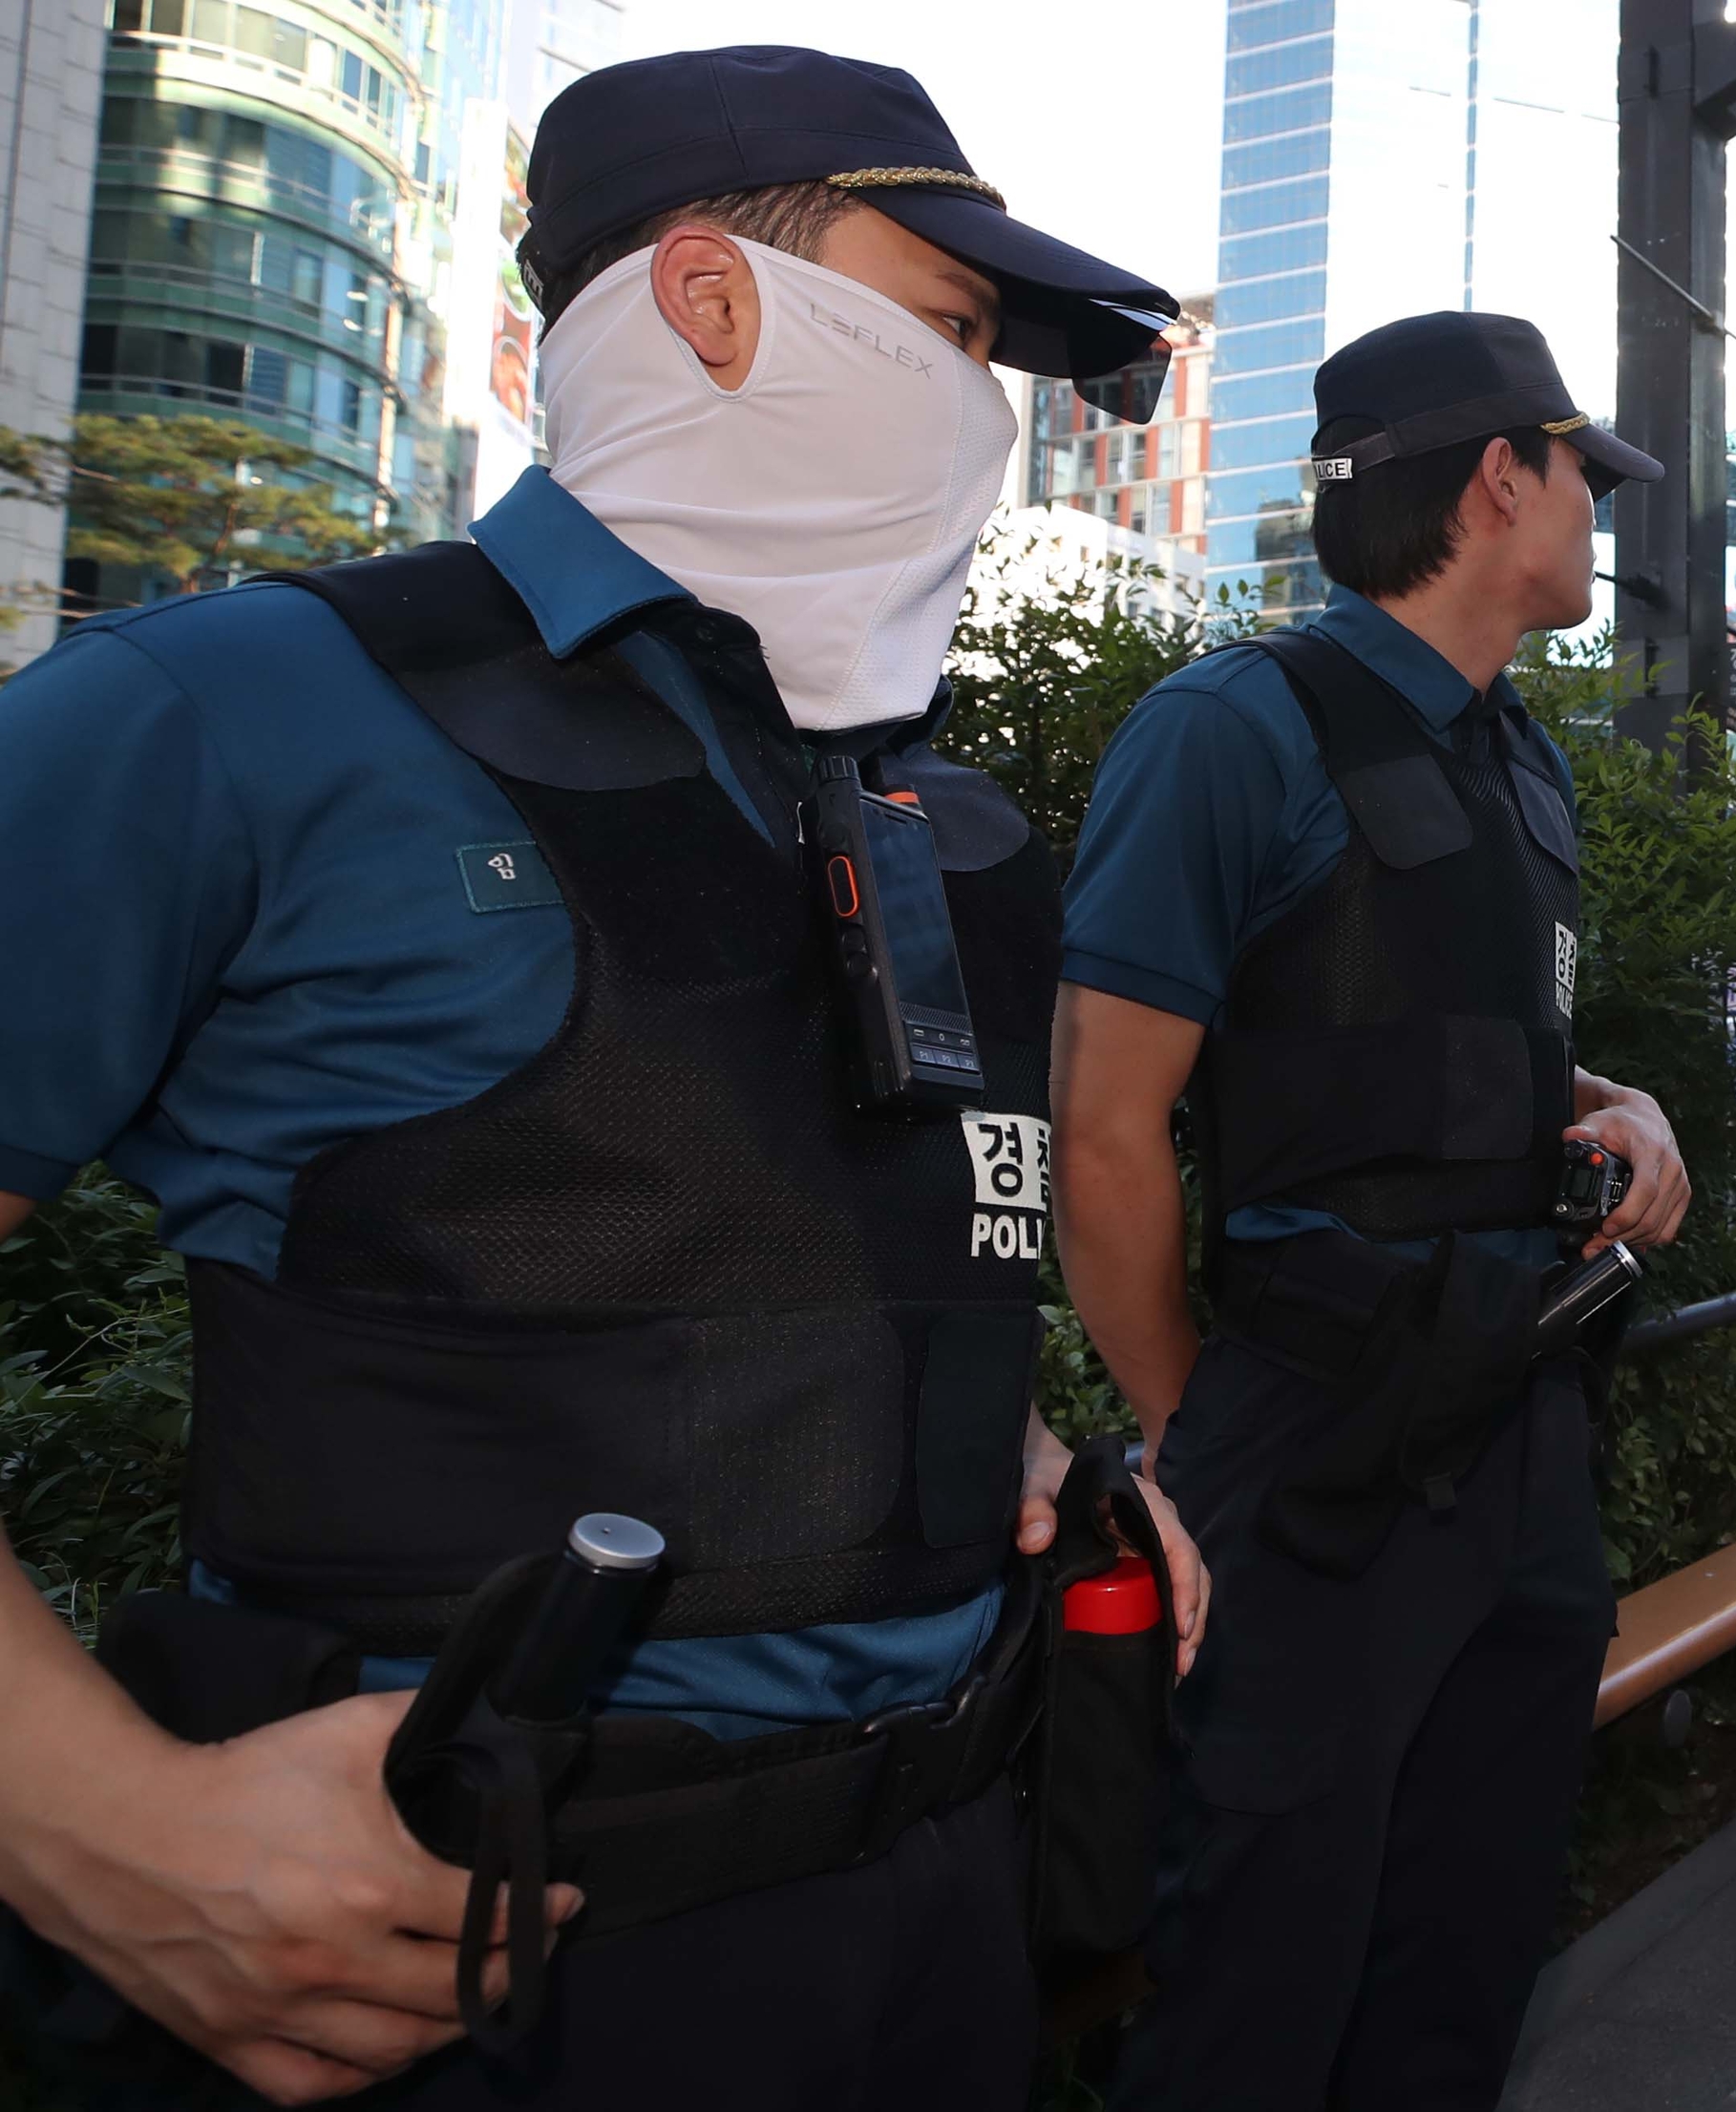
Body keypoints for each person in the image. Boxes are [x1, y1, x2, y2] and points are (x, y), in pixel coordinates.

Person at [0, 48, 1208, 2107]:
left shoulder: (949, 825)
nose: (983, 412)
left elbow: (820, 1233)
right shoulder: (229, 712)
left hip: (944, 1919)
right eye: (947, 329)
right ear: (710, 299)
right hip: (443, 1959)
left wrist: (989, 1444)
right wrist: (94, 1819)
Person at [1049, 310, 1687, 2108]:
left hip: (1521, 1429)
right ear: (1502, 478)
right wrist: (1200, 1424)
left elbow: (1446, 1054)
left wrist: (1612, 1102)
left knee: (1462, 1959)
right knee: (1260, 1970)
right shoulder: (1233, 730)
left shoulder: (1523, 760)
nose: (1596, 511)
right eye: (1585, 474)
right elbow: (1104, 1124)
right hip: (1312, 1446)